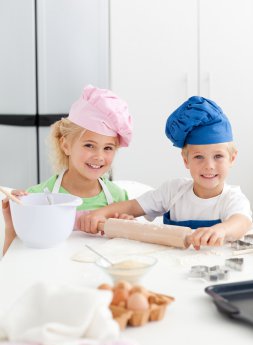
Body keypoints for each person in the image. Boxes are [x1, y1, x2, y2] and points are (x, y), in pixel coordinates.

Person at [79, 96, 252, 250]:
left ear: (232, 158)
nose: (209, 166)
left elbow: (241, 222)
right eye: (199, 157)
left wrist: (221, 230)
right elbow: (132, 206)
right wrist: (99, 214)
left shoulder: (232, 198)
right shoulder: (173, 191)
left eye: (218, 156)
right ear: (186, 160)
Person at [2, 85, 133, 254]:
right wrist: (12, 225)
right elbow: (13, 262)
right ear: (65, 145)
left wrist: (126, 229)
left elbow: (127, 254)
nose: (99, 156)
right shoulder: (37, 196)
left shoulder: (118, 198)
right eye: (89, 145)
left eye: (108, 148)